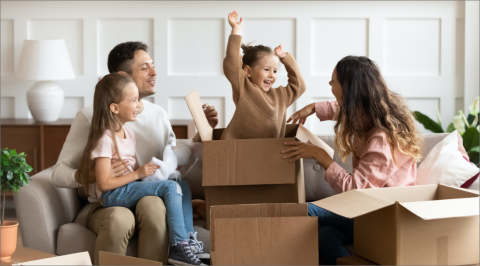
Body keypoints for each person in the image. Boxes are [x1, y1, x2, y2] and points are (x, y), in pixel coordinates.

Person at [52, 41, 218, 265]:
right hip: (106, 201)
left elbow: (174, 167)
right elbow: (58, 172)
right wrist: (91, 175)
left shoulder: (158, 114)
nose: (154, 72)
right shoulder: (91, 116)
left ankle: (183, 248)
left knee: (154, 205)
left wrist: (201, 133)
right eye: (145, 67)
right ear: (123, 76)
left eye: (153, 65)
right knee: (120, 218)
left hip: (149, 195)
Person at [281, 56, 424, 265]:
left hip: (387, 216)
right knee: (326, 236)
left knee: (308, 210)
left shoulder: (382, 140)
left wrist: (319, 154)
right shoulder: (371, 114)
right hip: (372, 209)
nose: (329, 85)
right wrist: (314, 107)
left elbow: (356, 191)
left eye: (334, 82)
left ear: (350, 89)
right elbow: (345, 109)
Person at [76, 73, 204, 265]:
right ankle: (178, 246)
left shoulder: (128, 132)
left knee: (181, 184)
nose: (138, 105)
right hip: (112, 195)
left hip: (127, 189)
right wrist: (138, 174)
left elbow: (133, 168)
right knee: (170, 187)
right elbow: (103, 183)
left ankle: (189, 242)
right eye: (134, 100)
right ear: (115, 107)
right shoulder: (105, 139)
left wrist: (156, 172)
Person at [221, 11, 306, 140]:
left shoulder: (281, 96)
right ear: (248, 71)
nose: (271, 75)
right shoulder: (244, 87)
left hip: (268, 153)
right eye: (266, 69)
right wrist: (236, 29)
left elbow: (299, 86)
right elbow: (232, 63)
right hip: (237, 150)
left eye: (275, 71)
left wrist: (285, 58)